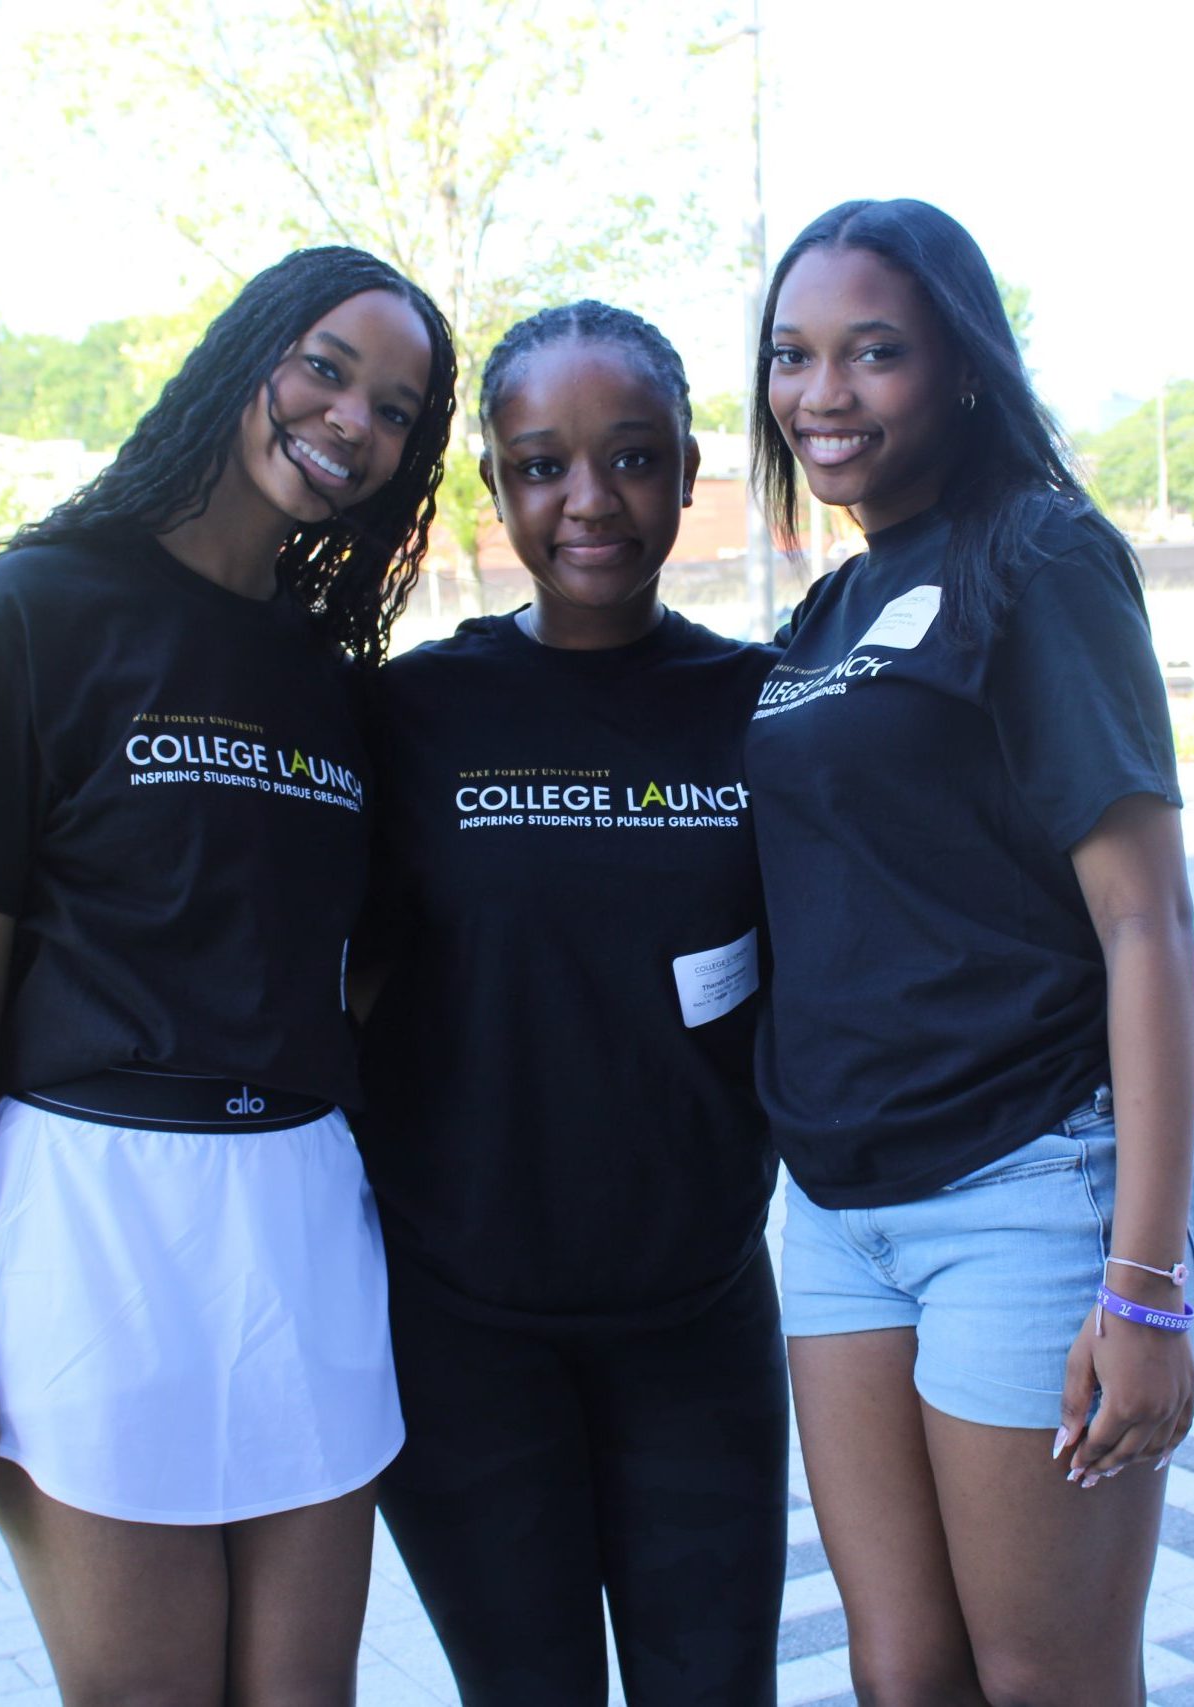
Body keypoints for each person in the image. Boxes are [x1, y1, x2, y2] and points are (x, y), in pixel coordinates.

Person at [0, 246, 456, 1707]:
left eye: (395, 409)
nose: (352, 420)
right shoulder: (38, 610)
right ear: (247, 355)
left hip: (302, 1220)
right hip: (95, 1223)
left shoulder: (333, 675)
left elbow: (360, 964)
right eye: (326, 367)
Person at [742, 198, 1194, 1707]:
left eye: (873, 352)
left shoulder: (1041, 556)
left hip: (1024, 1188)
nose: (822, 393)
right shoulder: (834, 605)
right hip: (840, 1213)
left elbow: (1148, 920)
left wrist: (1144, 1284)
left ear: (962, 365)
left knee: (1045, 1679)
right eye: (792, 356)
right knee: (904, 1674)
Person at [353, 301, 788, 1706]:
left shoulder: (765, 708)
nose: (589, 500)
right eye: (542, 465)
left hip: (698, 1316)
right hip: (460, 1330)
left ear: (689, 471)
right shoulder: (415, 715)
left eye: (633, 457)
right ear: (494, 486)